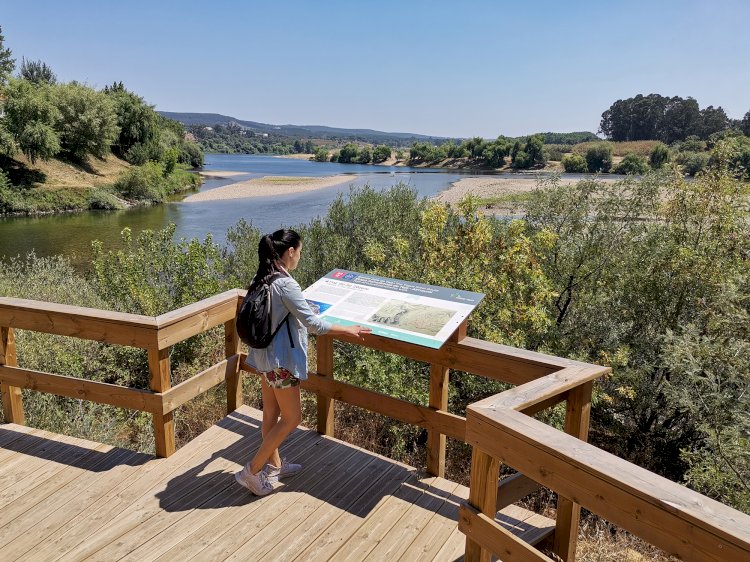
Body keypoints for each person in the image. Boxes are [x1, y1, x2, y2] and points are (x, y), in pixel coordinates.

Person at [235, 228, 371, 496]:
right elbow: (313, 324)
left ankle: (274, 466)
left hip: (264, 357)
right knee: (293, 417)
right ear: (290, 252)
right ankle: (251, 471)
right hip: (281, 361)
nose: (300, 257)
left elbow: (284, 312)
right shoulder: (286, 284)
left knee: (271, 414)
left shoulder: (264, 277)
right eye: (300, 252)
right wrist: (349, 329)